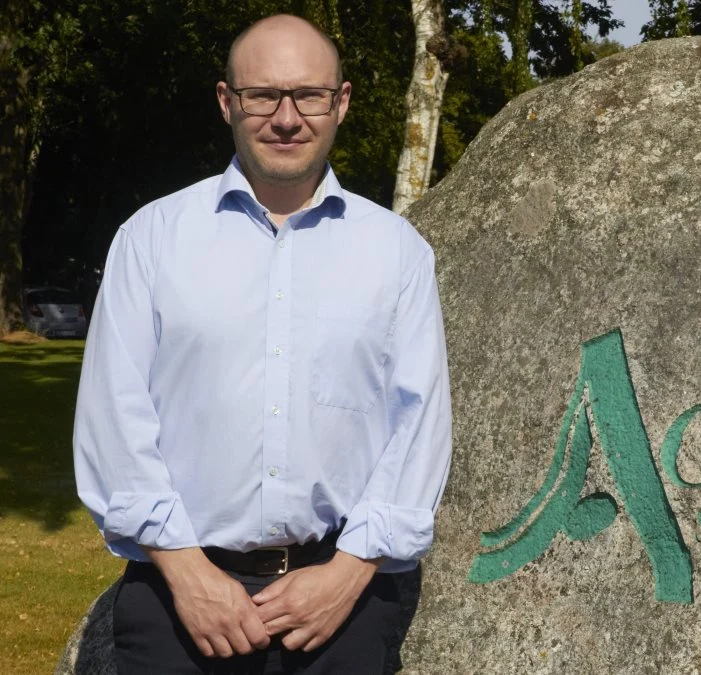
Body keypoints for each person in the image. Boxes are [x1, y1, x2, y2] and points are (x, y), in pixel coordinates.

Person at [72, 14, 452, 674]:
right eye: (262, 96)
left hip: (340, 607)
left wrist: (348, 573)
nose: (286, 117)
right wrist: (186, 573)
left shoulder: (396, 254)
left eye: (308, 94)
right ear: (227, 102)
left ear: (341, 102)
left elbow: (418, 429)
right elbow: (114, 417)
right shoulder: (151, 240)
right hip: (176, 605)